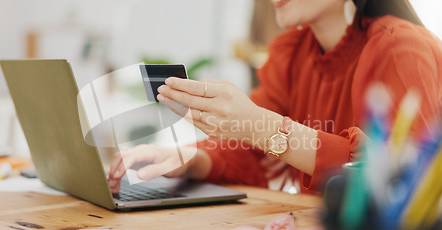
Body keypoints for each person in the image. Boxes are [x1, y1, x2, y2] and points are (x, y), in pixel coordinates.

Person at [109, 0, 442, 194]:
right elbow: (253, 155)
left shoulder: (401, 48)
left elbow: (404, 184)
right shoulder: (291, 54)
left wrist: (263, 127)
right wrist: (190, 159)